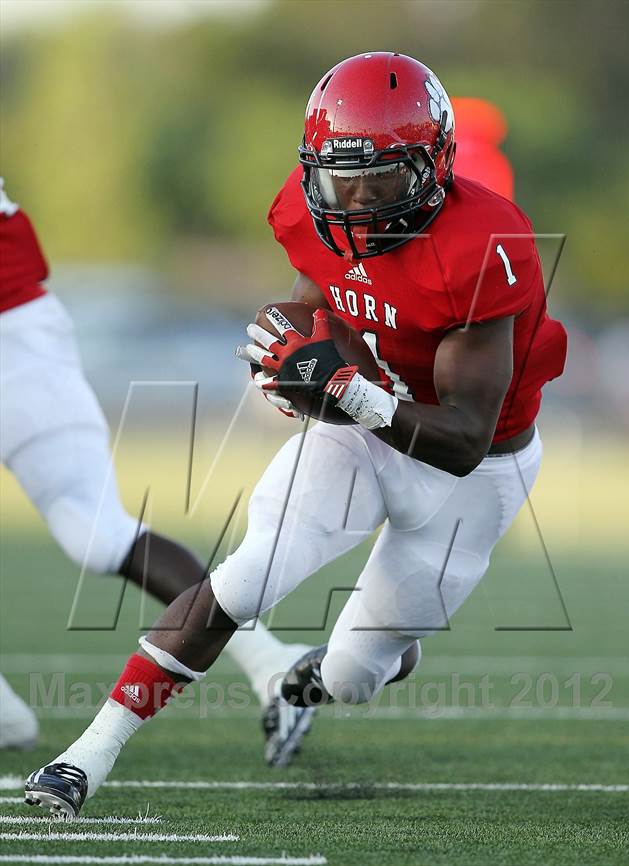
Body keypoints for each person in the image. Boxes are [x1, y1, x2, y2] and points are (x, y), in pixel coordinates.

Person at [25, 51, 567, 819]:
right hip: (366, 430)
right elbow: (317, 307)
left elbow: (464, 439)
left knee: (353, 673)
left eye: (381, 179)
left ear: (434, 164)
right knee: (245, 577)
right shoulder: (310, 211)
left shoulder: (486, 245)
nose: (356, 201)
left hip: (472, 476)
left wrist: (347, 389)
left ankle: (325, 671)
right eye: (340, 178)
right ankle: (87, 754)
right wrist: (290, 363)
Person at [0, 180, 312, 763]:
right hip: (25, 331)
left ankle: (268, 661)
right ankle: (268, 660)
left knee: (97, 531)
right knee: (95, 532)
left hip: (12, 329)